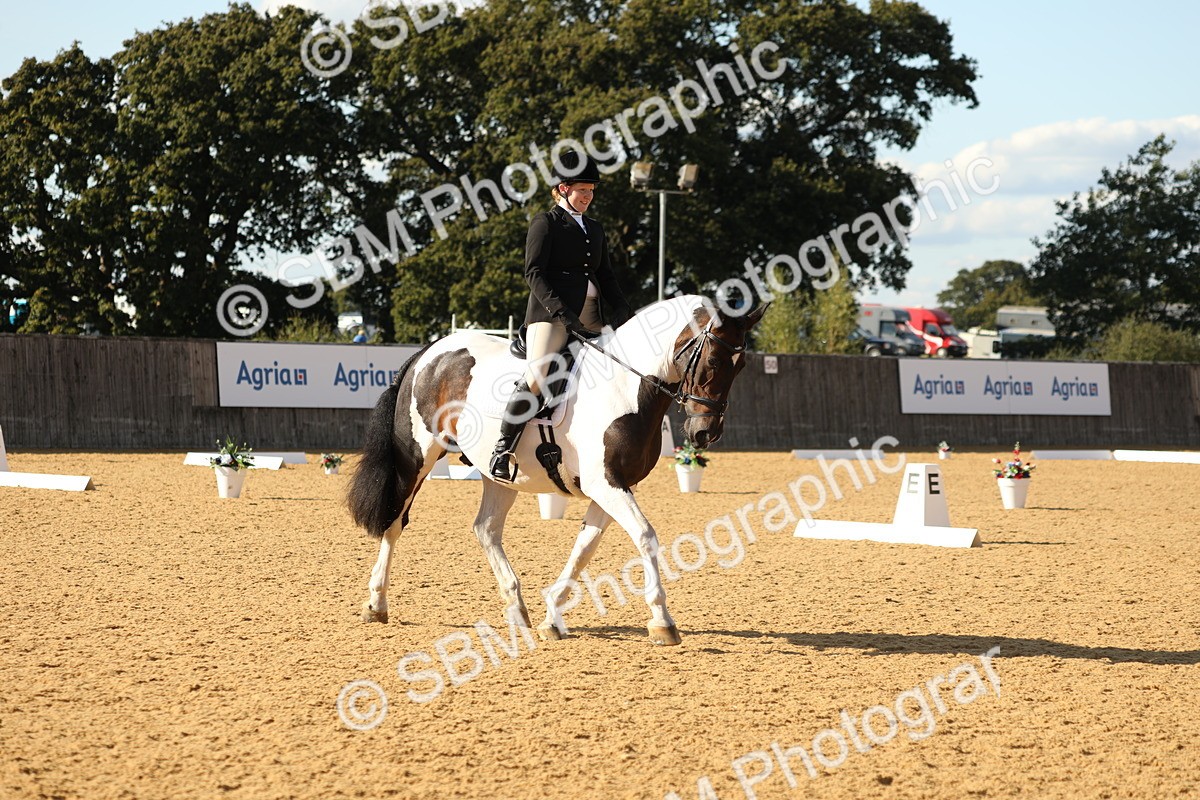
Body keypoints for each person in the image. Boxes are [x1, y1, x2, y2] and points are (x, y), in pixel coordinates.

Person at [488, 151, 633, 483]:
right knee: (538, 372)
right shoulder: (546, 222)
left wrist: (623, 308)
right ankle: (502, 449)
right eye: (582, 190)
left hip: (591, 316)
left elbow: (606, 275)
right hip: (550, 315)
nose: (588, 197)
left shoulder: (595, 229)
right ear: (563, 189)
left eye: (591, 191)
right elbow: (533, 273)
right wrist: (561, 312)